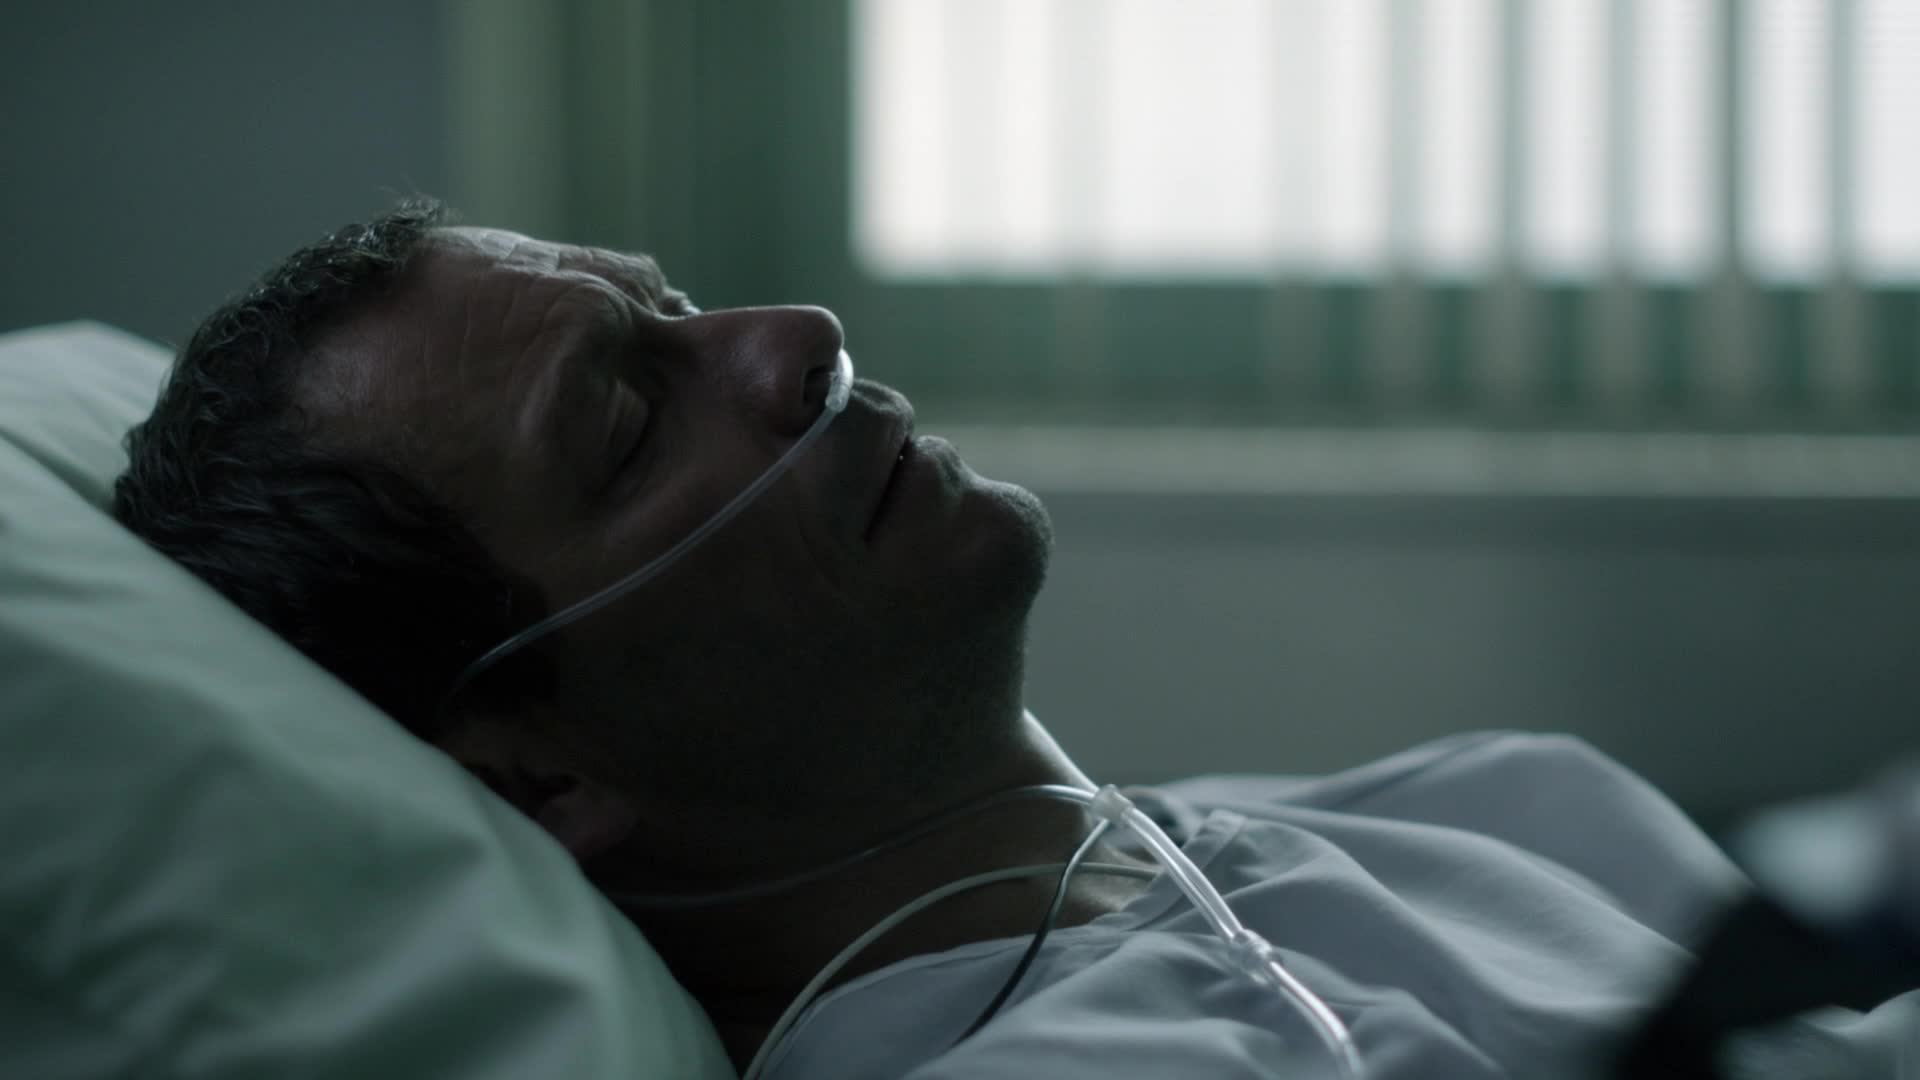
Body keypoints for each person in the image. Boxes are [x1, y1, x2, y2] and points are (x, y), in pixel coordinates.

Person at [111, 200, 1916, 1079]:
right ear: (540, 773)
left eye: (677, 307)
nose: (795, 338)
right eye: (632, 418)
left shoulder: (1488, 801)